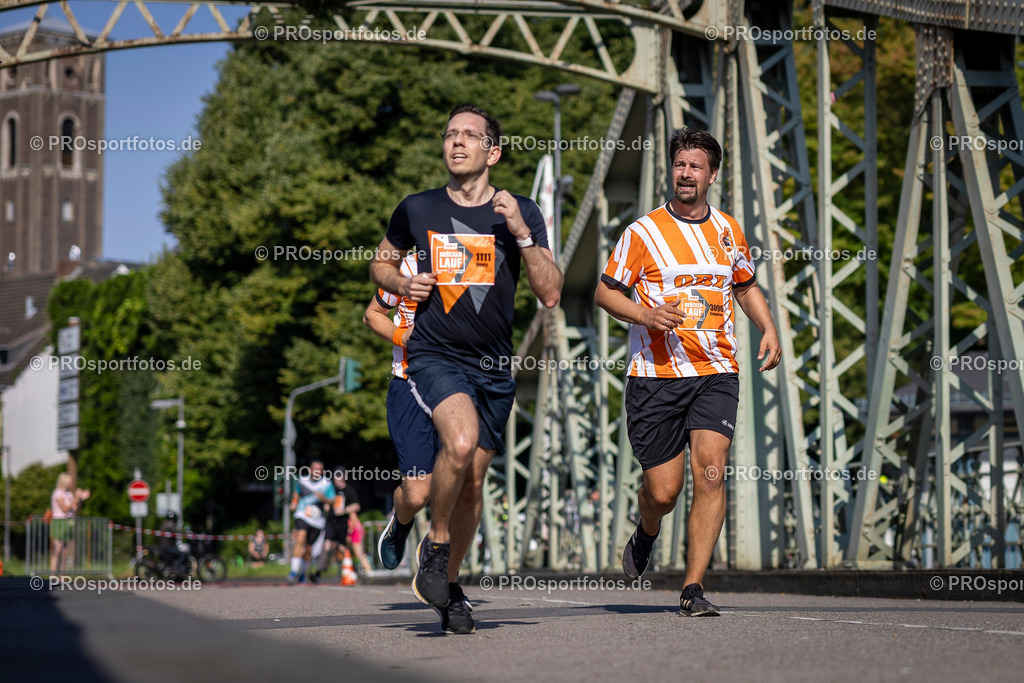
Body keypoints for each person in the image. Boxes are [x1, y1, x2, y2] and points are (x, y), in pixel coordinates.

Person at [370, 103, 562, 634]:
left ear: (492, 152)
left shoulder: (520, 211)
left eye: (470, 136)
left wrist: (522, 232)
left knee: (473, 482)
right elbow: (380, 262)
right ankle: (434, 549)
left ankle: (447, 587)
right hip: (435, 356)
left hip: (495, 366)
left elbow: (550, 293)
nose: (457, 142)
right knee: (458, 444)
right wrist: (399, 284)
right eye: (450, 134)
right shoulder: (417, 209)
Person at [595, 127, 781, 617]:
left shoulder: (729, 231)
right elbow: (605, 292)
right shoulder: (642, 233)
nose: (686, 173)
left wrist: (768, 327)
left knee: (713, 473)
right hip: (655, 375)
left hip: (716, 371)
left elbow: (744, 286)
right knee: (664, 491)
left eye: (696, 166)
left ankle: (692, 588)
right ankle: (648, 528)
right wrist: (645, 315)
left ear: (712, 175)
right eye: (680, 165)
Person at [361, 253, 436, 570]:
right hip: (410, 385)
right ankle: (401, 524)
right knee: (418, 493)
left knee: (467, 480)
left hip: (462, 385)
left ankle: (439, 561)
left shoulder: (480, 260)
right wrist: (400, 335)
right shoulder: (409, 267)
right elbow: (372, 315)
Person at [316, 468, 371, 579]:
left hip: (344, 524)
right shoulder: (330, 489)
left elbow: (356, 507)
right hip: (331, 522)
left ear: (344, 477)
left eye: (340, 476)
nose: (337, 479)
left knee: (346, 549)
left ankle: (359, 571)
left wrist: (345, 510)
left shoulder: (349, 490)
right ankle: (318, 572)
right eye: (336, 476)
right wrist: (326, 505)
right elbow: (325, 501)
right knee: (327, 545)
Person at [287, 460, 335, 584]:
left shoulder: (326, 483)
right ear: (310, 469)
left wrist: (322, 498)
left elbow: (333, 501)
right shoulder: (302, 480)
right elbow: (296, 493)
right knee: (300, 538)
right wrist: (294, 502)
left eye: (319, 469)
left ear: (322, 471)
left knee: (308, 548)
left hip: (317, 520)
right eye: (314, 468)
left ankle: (303, 572)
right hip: (302, 514)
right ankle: (293, 571)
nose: (316, 471)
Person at [50, 473, 89, 573]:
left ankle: (61, 575)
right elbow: (65, 509)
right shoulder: (58, 493)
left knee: (65, 551)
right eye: (70, 481)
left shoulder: (69, 494)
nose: (72, 483)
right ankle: (53, 574)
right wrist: (76, 498)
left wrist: (80, 498)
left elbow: (75, 508)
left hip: (68, 522)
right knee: (57, 550)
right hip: (59, 521)